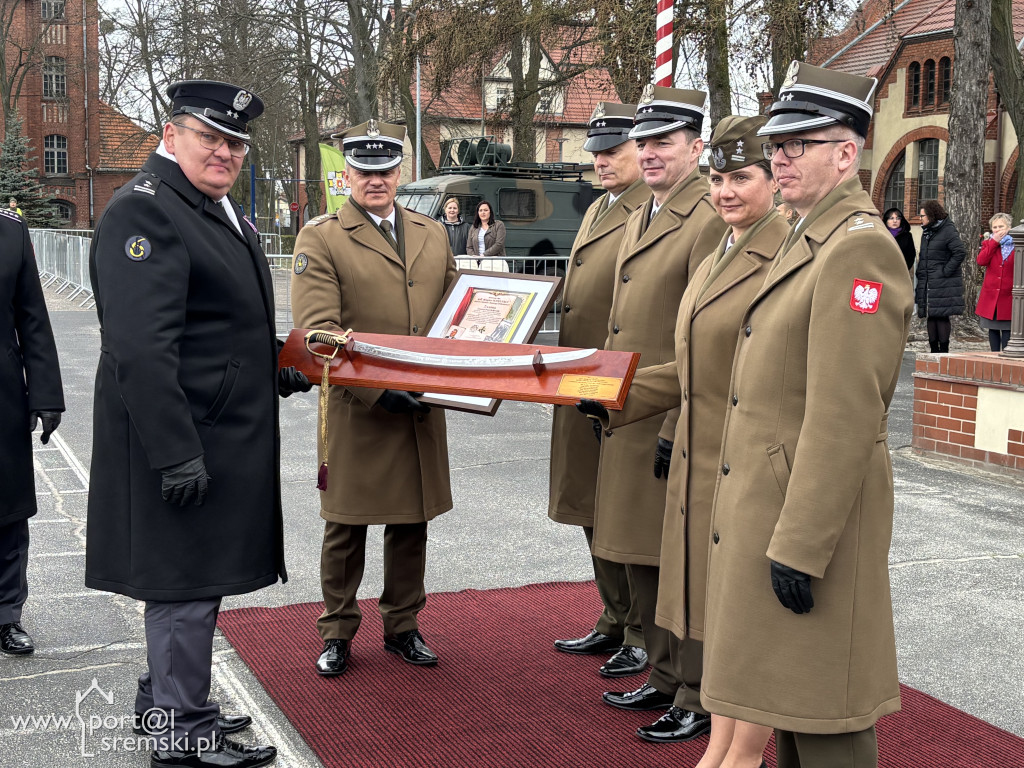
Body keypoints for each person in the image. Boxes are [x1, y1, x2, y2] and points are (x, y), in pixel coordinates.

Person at [698, 61, 912, 768]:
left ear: (846, 153)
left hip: (811, 525)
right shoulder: (805, 230)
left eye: (798, 144)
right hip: (776, 507)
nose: (779, 157)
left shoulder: (856, 249)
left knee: (827, 713)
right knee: (788, 704)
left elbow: (844, 416)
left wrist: (800, 544)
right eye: (777, 145)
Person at [86, 80, 303, 768]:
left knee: (193, 579)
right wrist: (176, 453)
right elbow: (141, 350)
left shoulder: (208, 208)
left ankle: (168, 703)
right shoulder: (145, 213)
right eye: (210, 136)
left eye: (236, 143)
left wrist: (274, 364)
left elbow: (219, 324)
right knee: (181, 582)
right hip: (179, 438)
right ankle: (184, 733)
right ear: (170, 133)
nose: (225, 152)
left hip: (213, 430)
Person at [583, 114, 789, 762]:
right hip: (695, 441)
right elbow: (689, 355)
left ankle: (707, 709)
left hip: (736, 454)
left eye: (742, 177)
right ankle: (695, 704)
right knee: (685, 581)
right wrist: (611, 392)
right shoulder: (725, 245)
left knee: (718, 594)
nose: (726, 191)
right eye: (721, 179)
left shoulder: (777, 249)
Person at [580, 84, 727, 744]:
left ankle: (694, 691)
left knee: (678, 563)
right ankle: (664, 676)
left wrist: (672, 421)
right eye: (644, 143)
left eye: (664, 141)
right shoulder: (646, 210)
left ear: (697, 147)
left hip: (668, 412)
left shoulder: (705, 214)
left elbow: (705, 336)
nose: (649, 153)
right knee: (641, 554)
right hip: (628, 408)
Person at [291, 119, 457, 678]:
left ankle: (403, 625)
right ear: (348, 174)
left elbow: (456, 312)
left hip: (422, 404)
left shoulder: (431, 233)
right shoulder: (321, 236)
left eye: (385, 169)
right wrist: (377, 390)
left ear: (401, 171)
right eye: (364, 170)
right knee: (346, 524)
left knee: (411, 523)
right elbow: (319, 332)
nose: (376, 180)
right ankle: (337, 629)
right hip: (359, 408)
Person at [548, 102, 648, 678]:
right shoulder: (603, 206)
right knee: (591, 502)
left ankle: (640, 629)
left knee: (624, 509)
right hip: (583, 376)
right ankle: (614, 615)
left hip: (623, 383)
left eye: (614, 151)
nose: (601, 161)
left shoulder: (651, 210)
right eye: (597, 152)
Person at [0, 206, 64, 657]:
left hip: (2, 397)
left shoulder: (9, 230)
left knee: (7, 510)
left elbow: (33, 318)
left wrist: (46, 394)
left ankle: (6, 615)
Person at [915, 199, 965, 353]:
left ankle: (943, 352)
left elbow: (960, 252)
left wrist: (945, 271)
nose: (920, 218)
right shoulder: (928, 232)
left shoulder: (947, 229)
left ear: (931, 215)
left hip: (943, 281)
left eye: (922, 216)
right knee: (932, 315)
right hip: (929, 280)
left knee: (941, 316)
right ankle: (933, 351)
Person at [975, 212, 1014, 351]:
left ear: (1009, 227)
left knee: (1008, 331)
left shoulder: (1018, 245)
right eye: (995, 227)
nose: (997, 230)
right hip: (991, 295)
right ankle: (994, 357)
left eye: (1001, 226)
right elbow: (981, 261)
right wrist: (994, 242)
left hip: (1009, 296)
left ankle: (1006, 360)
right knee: (992, 329)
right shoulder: (989, 244)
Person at [882, 207, 916, 271]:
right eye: (891, 218)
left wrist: (904, 269)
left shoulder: (907, 236)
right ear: (886, 221)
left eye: (898, 218)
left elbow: (911, 256)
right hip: (883, 272)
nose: (895, 221)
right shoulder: (881, 234)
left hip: (901, 271)